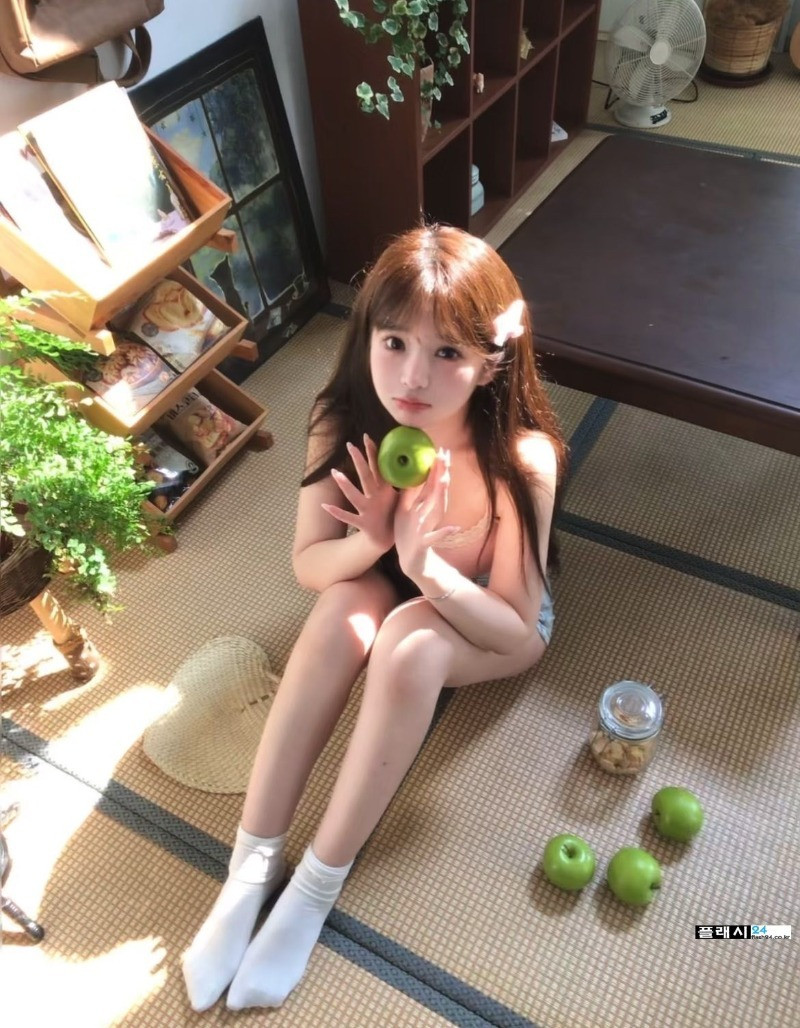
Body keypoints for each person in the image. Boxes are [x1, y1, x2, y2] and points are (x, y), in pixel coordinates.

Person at [182, 224, 566, 1012]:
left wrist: (427, 569)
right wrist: (374, 542)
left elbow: (518, 629)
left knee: (408, 644)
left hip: (488, 613)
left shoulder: (520, 457)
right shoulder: (344, 417)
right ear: (367, 335)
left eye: (447, 352)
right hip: (385, 574)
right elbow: (309, 565)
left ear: (492, 360)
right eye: (394, 343)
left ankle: (315, 888)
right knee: (343, 609)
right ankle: (248, 871)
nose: (413, 377)